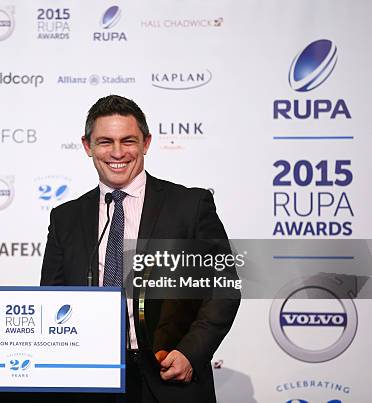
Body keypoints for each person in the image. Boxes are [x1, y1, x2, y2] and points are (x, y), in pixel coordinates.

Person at [40, 95, 240, 402]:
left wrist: (190, 352)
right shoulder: (66, 217)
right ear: (87, 146)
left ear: (145, 143)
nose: (117, 152)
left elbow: (223, 288)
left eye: (128, 141)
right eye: (105, 141)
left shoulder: (189, 206)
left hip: (170, 378)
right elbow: (52, 298)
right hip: (89, 381)